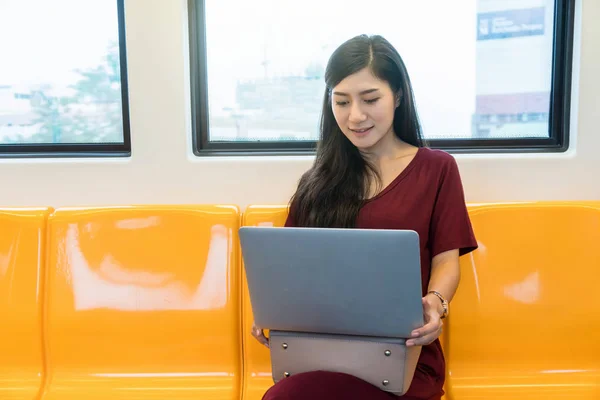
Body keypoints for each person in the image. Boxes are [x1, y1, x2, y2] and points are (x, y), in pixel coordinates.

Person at [251, 34, 478, 400]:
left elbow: (447, 263)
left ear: (398, 96)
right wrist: (271, 316)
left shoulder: (437, 169)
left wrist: (434, 305)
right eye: (341, 102)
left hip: (406, 353)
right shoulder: (317, 182)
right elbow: (289, 271)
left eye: (370, 99)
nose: (355, 116)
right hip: (321, 353)